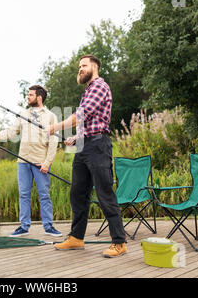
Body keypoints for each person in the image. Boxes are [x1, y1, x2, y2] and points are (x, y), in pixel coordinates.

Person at [48, 54, 127, 258]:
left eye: (83, 65)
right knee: (77, 194)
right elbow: (88, 122)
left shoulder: (100, 86)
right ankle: (76, 238)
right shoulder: (88, 91)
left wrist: (56, 126)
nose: (80, 69)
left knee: (104, 194)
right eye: (79, 67)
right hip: (84, 146)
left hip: (98, 147)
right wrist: (75, 138)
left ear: (94, 66)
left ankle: (119, 243)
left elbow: (81, 115)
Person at [0, 85, 62, 237]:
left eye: (30, 95)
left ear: (39, 97)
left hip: (40, 163)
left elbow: (54, 141)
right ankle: (24, 226)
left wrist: (47, 162)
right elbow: (11, 132)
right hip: (23, 161)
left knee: (44, 194)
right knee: (24, 194)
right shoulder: (23, 114)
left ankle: (48, 226)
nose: (27, 97)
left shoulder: (51, 116)